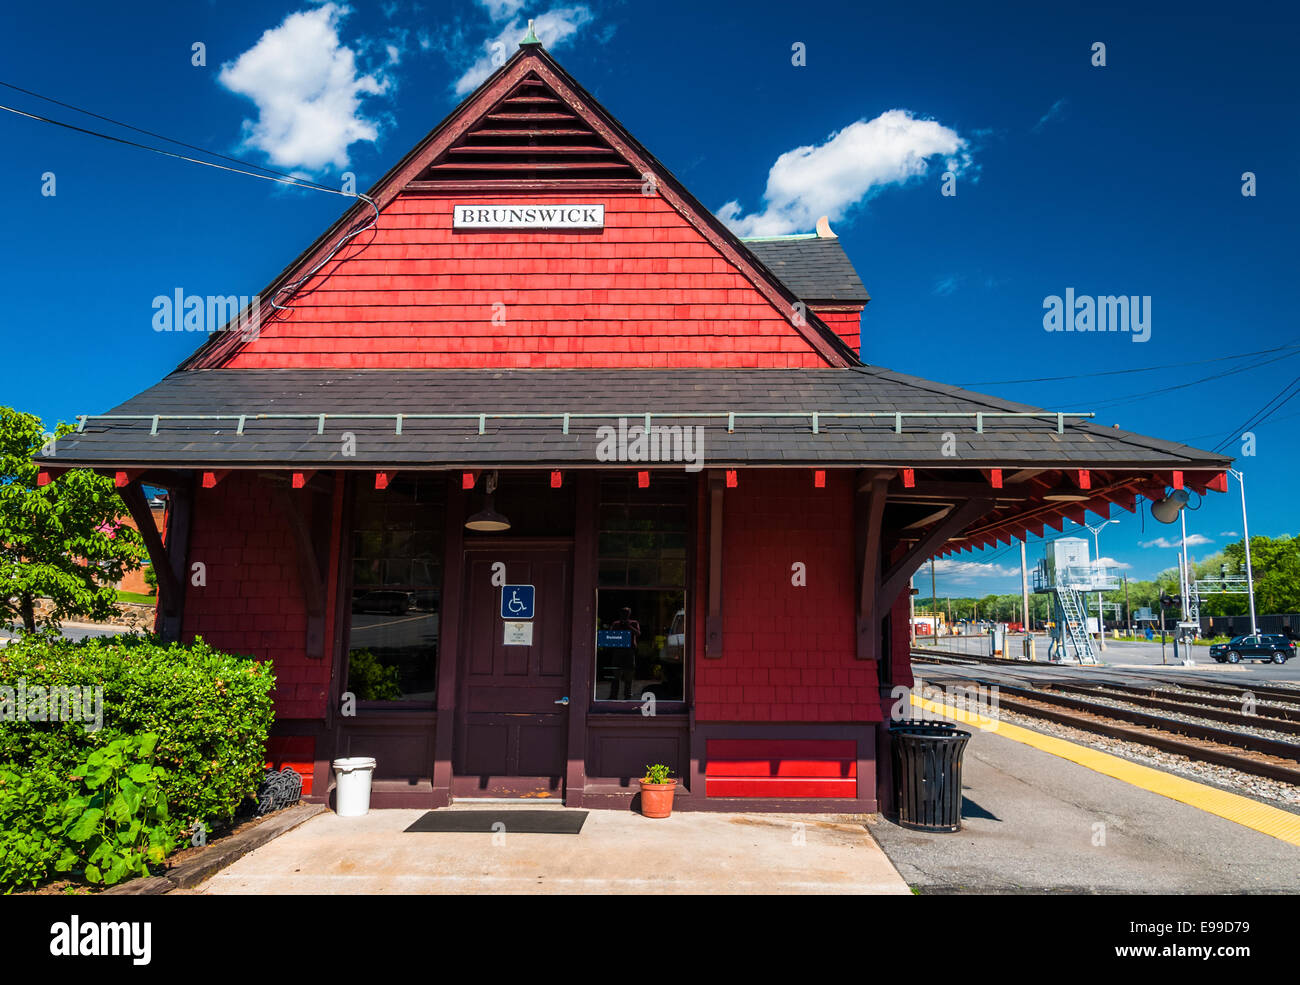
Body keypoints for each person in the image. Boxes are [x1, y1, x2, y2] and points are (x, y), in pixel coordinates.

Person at [608, 606, 641, 700]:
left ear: (629, 614)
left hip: (629, 651)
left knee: (629, 674)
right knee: (616, 675)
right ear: (620, 614)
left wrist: (629, 626)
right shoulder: (616, 624)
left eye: (627, 613)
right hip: (618, 651)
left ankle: (627, 695)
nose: (625, 615)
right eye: (623, 613)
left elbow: (638, 634)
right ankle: (613, 695)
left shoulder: (634, 623)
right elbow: (610, 635)